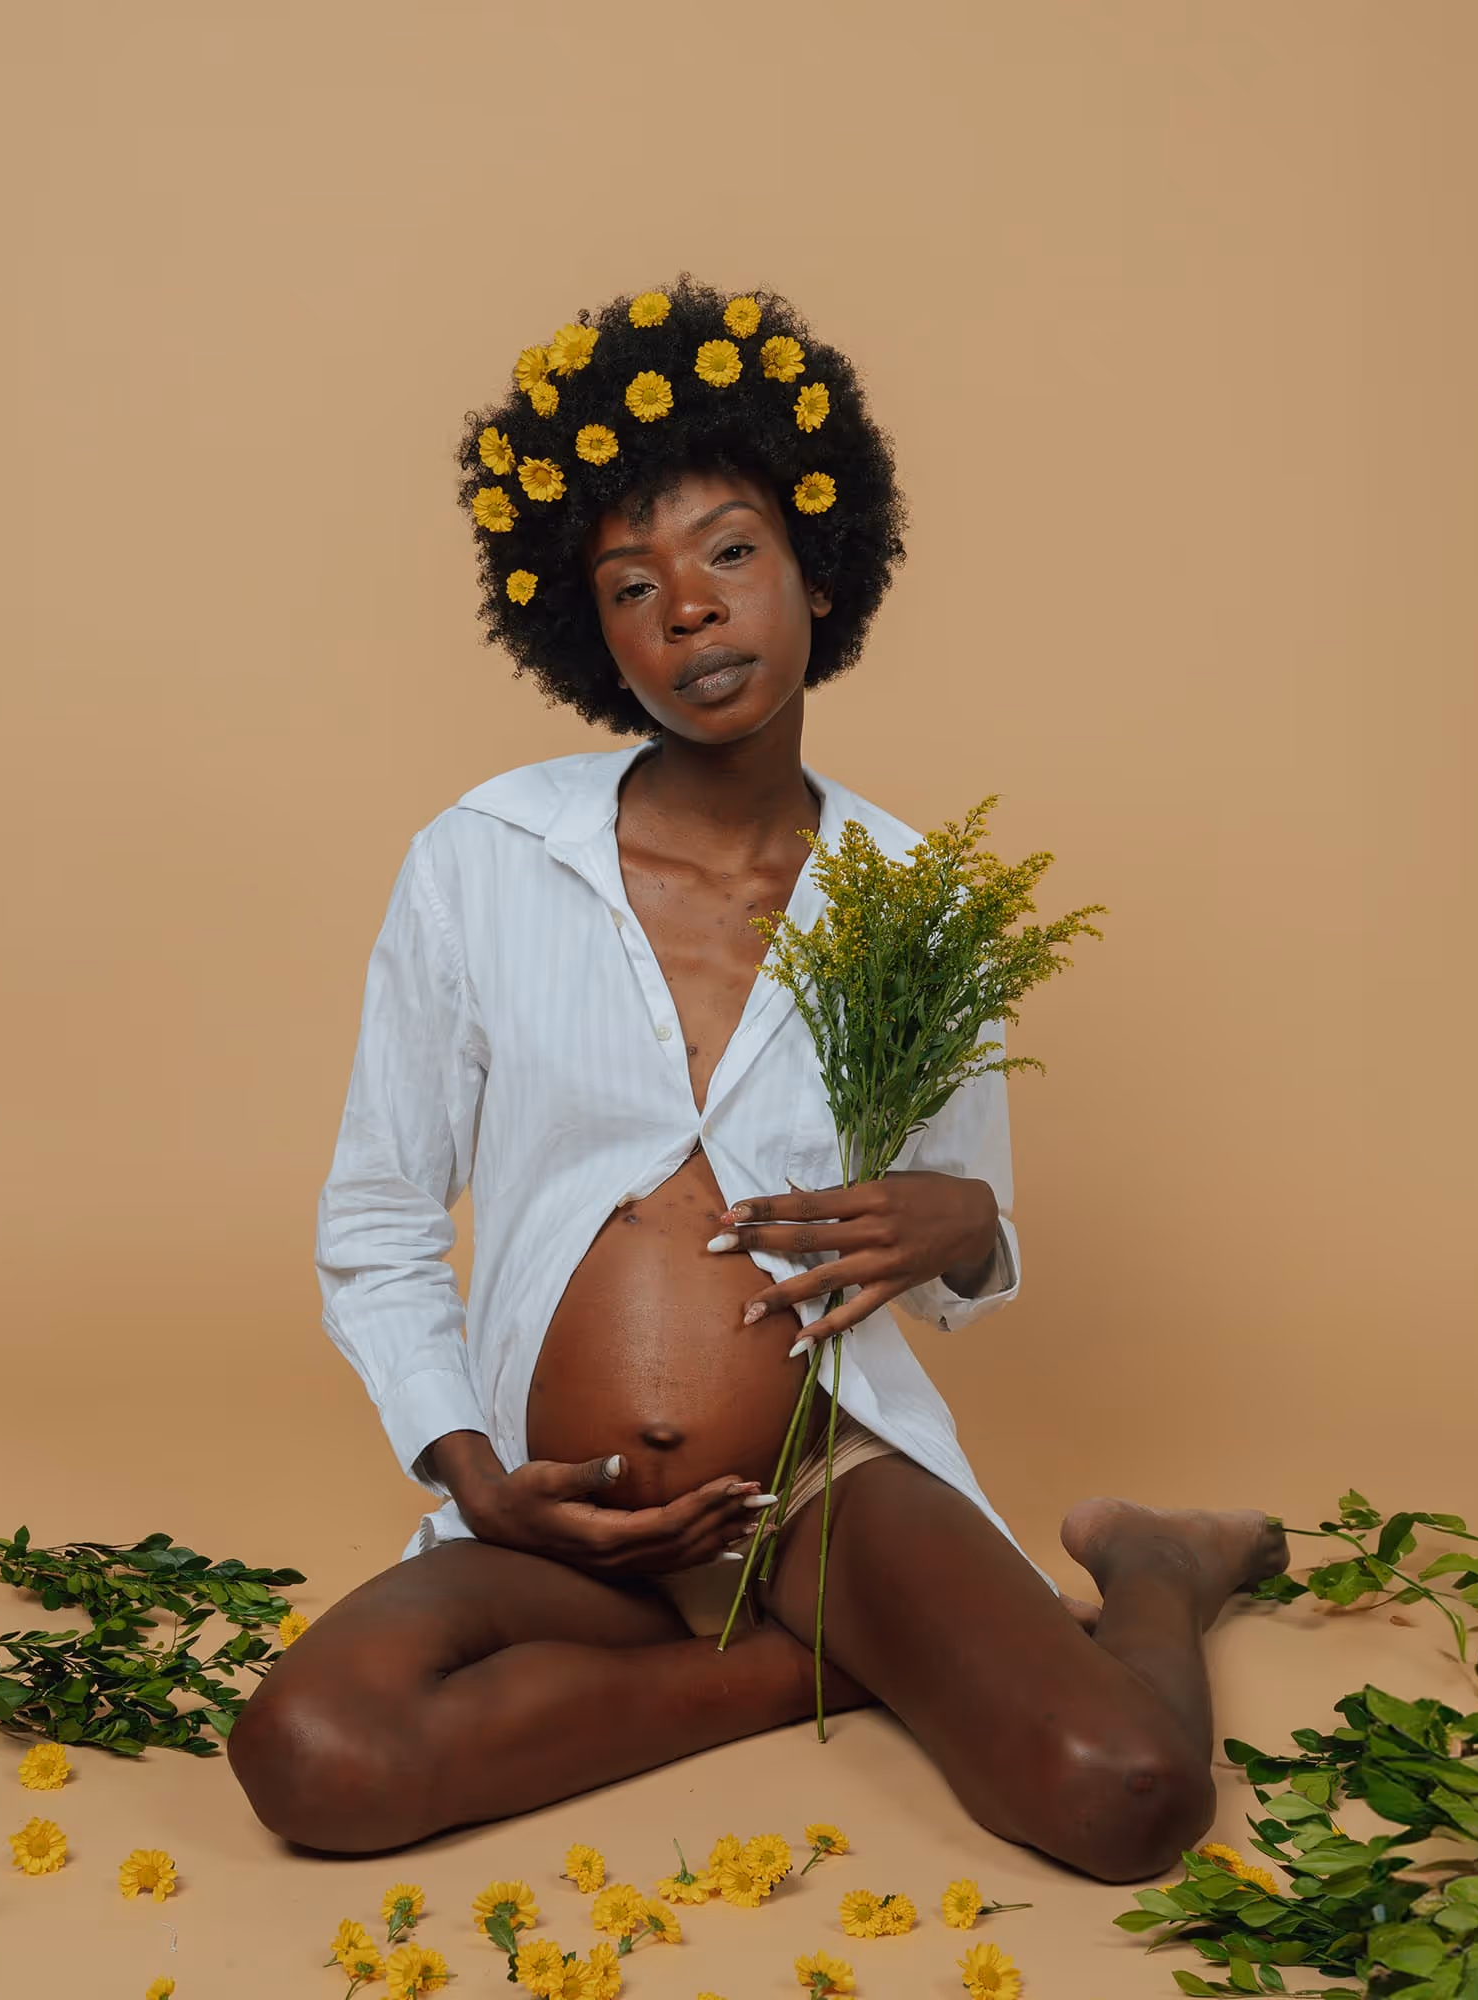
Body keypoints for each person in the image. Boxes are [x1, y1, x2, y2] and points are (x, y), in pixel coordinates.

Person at [228, 276, 1286, 1879]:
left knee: (1130, 1795)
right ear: (591, 634)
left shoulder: (917, 901)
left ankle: (1151, 1565)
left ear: (816, 560)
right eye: (632, 583)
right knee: (311, 1754)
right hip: (567, 1518)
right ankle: (825, 1672)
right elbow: (378, 1217)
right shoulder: (485, 862)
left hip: (822, 1503)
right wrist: (476, 1477)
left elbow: (958, 1268)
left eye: (728, 552)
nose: (692, 611)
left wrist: (969, 1221)